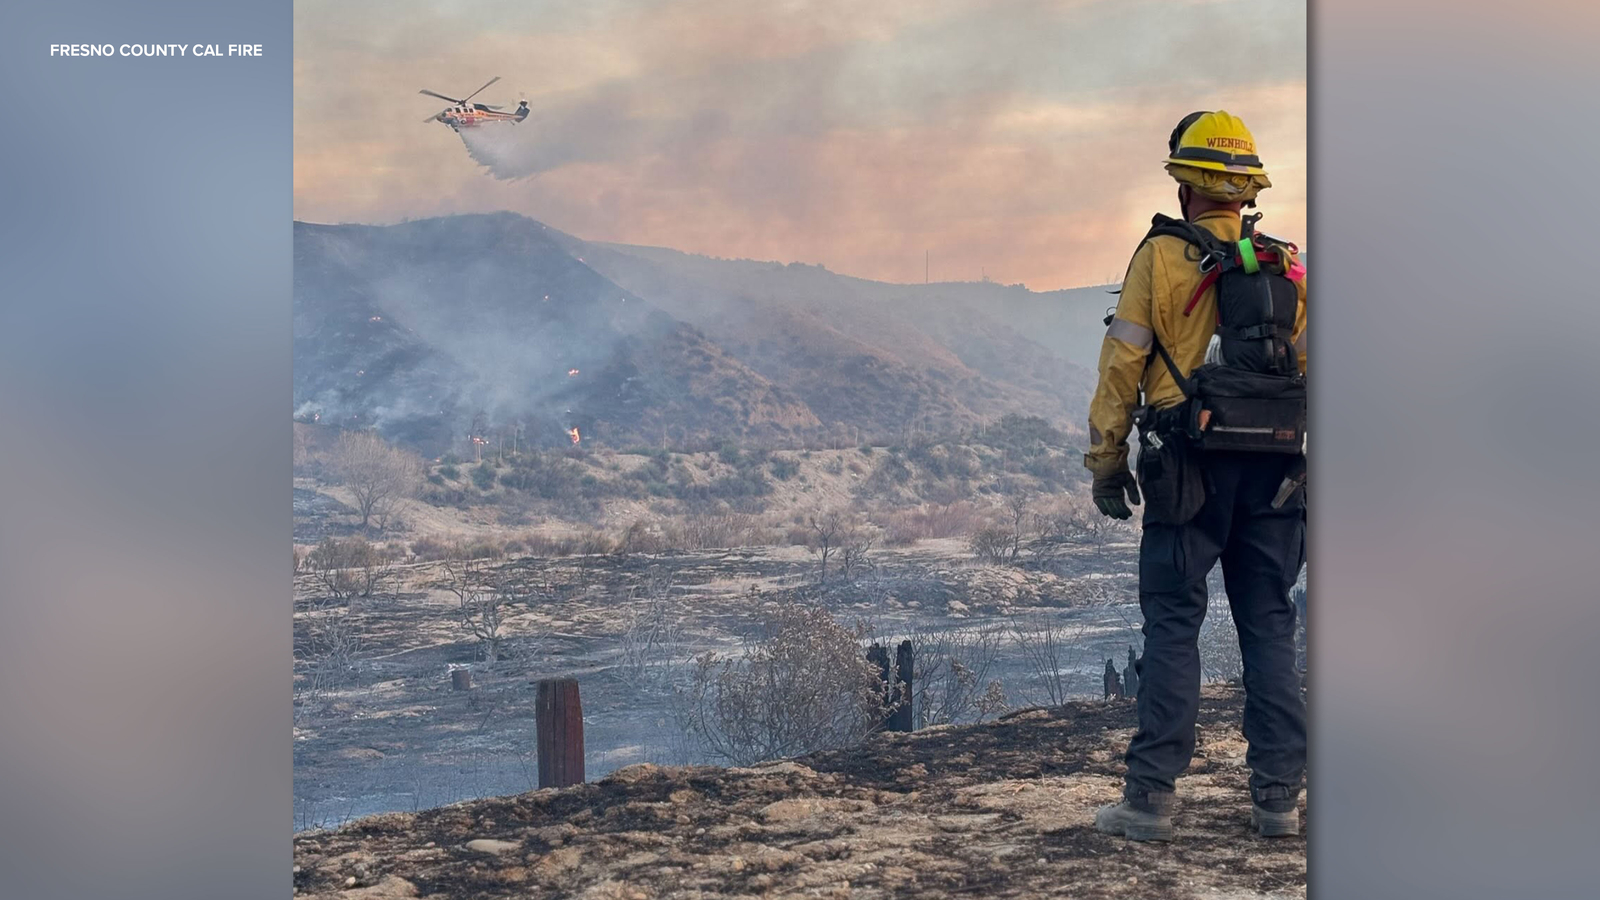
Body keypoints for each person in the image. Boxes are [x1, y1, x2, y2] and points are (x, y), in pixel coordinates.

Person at [1086, 110, 1308, 841]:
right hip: (1278, 470)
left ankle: (1149, 800)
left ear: (1185, 189)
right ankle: (1277, 796)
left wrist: (1107, 462)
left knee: (1175, 623)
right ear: (1246, 194)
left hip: (1188, 468)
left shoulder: (1161, 256)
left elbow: (1123, 365)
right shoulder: (1285, 266)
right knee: (1269, 621)